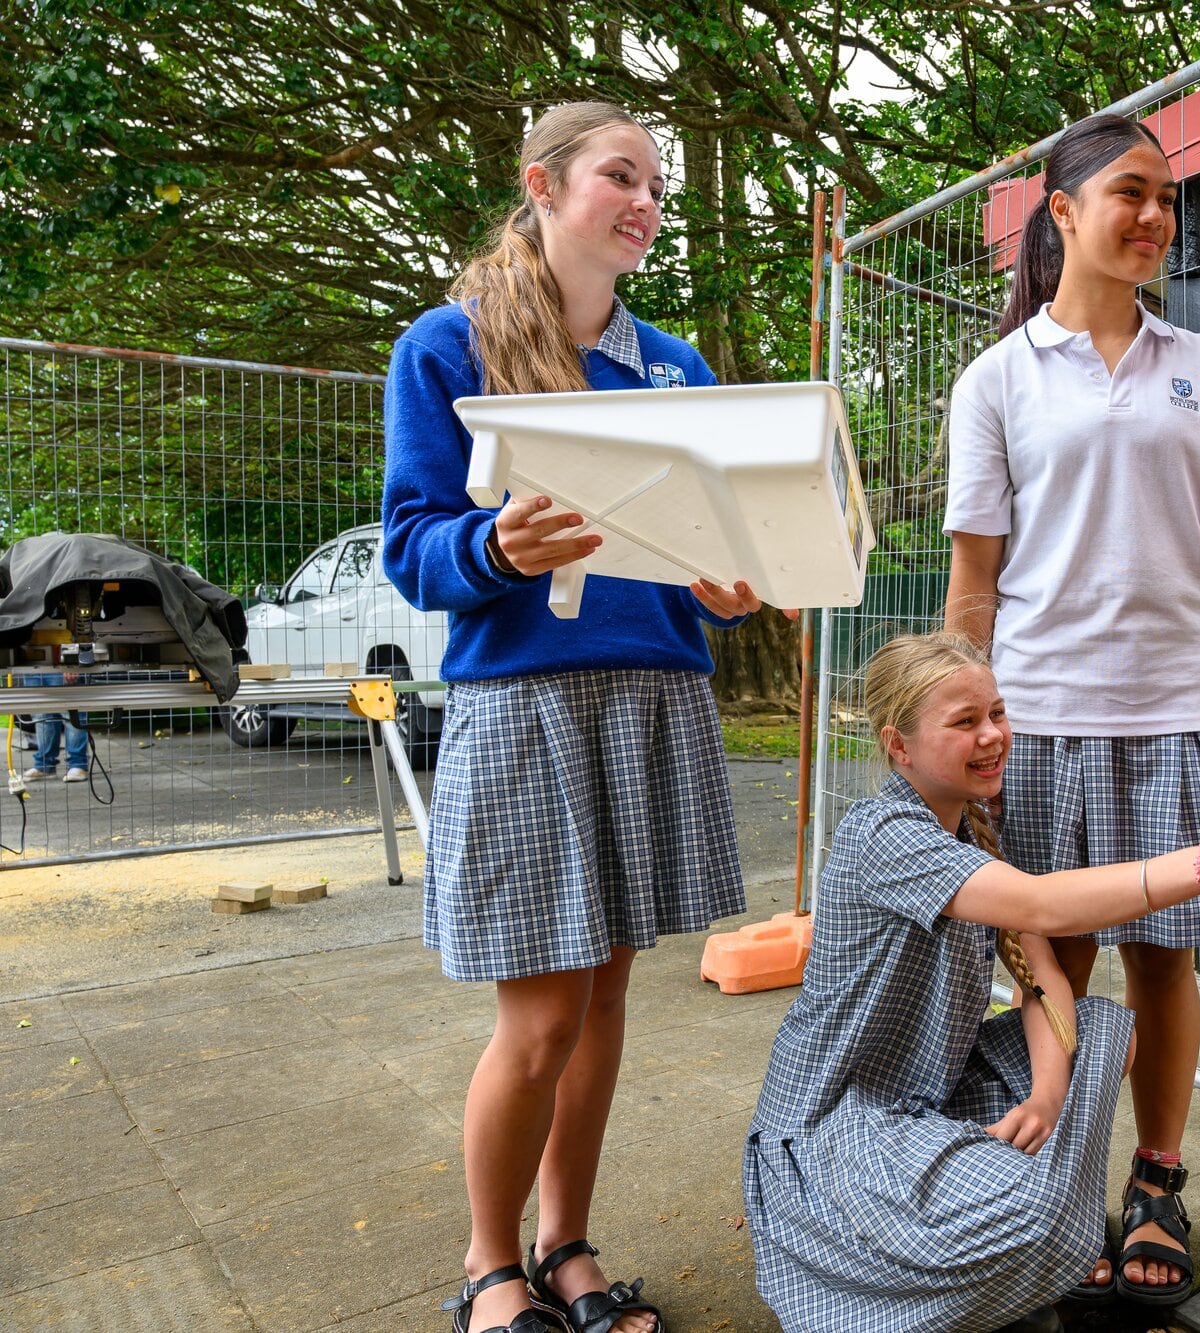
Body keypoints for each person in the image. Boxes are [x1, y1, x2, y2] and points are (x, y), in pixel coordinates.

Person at [382, 101, 768, 1333]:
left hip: (653, 695)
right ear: (541, 185)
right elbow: (413, 546)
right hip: (527, 704)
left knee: (605, 998)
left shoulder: (678, 367)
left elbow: (707, 564)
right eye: (621, 174)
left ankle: (567, 1246)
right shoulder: (448, 346)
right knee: (541, 1013)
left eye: (655, 182)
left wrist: (724, 587)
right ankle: (490, 1266)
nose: (645, 197)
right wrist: (489, 541)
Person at [941, 112, 1200, 1305]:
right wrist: (961, 744)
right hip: (1046, 717)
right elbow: (973, 580)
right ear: (1059, 213)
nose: (1156, 216)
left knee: (1166, 963)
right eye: (1132, 193)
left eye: (1167, 199)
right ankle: (1055, 1185)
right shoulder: (995, 379)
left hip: (1179, 712)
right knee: (1054, 960)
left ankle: (1156, 1182)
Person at [743, 632, 1200, 1332]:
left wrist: (1047, 1096)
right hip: (840, 1121)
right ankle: (1029, 1233)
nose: (992, 736)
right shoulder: (884, 833)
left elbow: (1043, 974)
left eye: (998, 712)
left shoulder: (975, 827)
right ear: (898, 745)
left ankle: (1044, 1232)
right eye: (964, 722)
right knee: (1035, 1213)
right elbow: (1042, 905)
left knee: (1101, 1034)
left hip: (934, 1093)